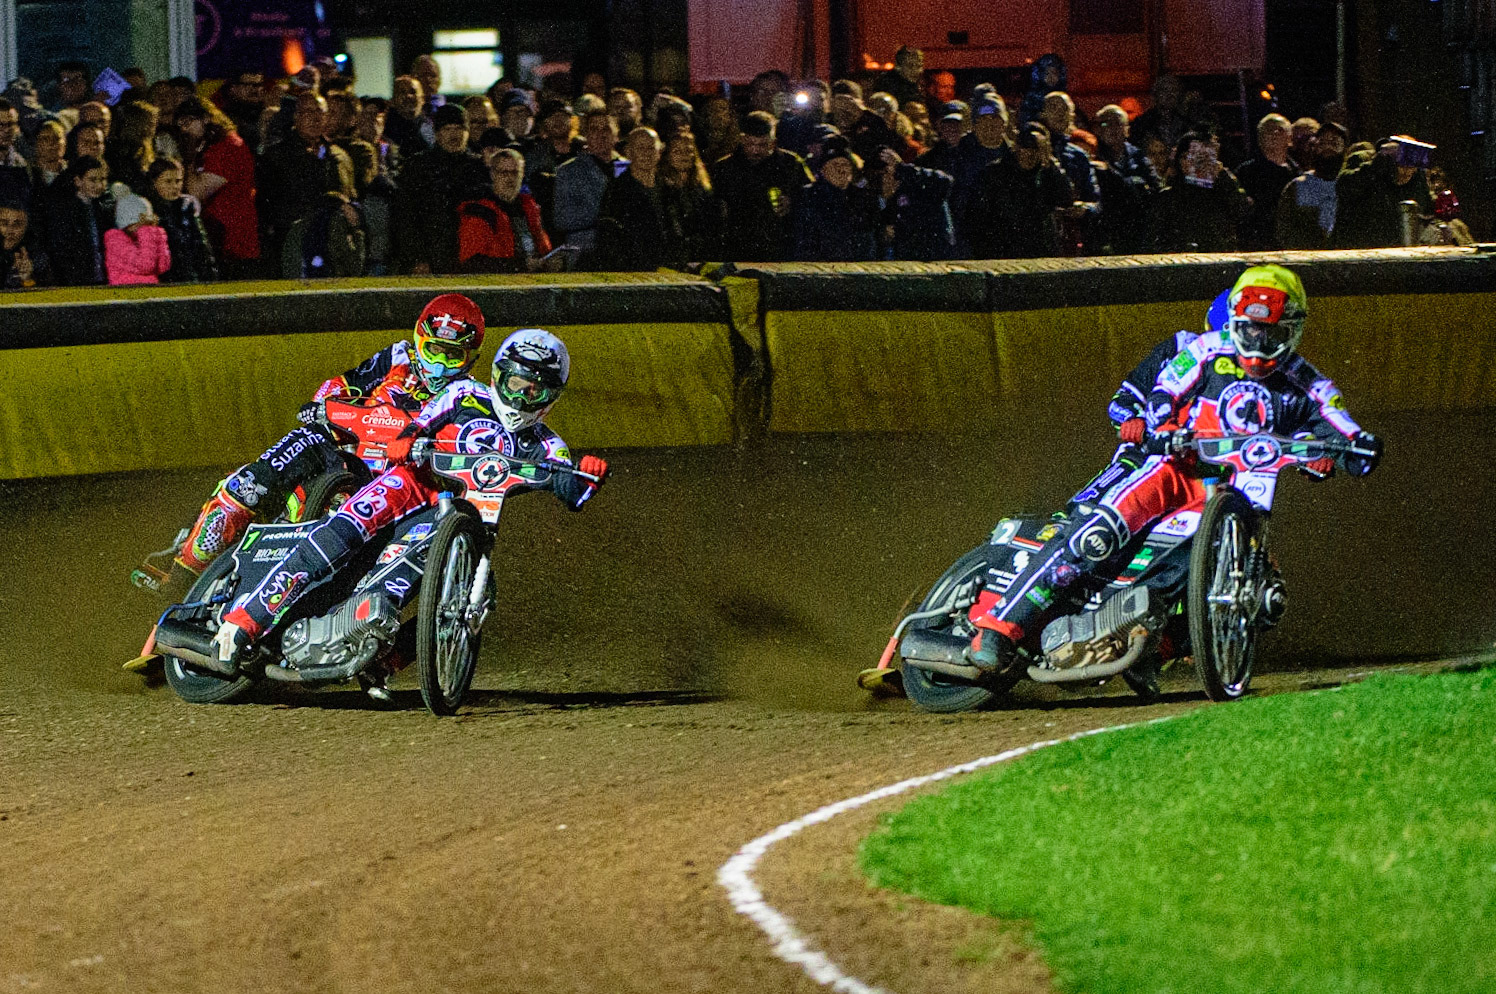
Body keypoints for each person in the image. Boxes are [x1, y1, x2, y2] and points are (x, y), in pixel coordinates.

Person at [963, 265, 1382, 671]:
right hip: (1173, 468)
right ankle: (1000, 626)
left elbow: (1336, 420)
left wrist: (1350, 448)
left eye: (1269, 332)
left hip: (1234, 493)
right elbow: (1163, 388)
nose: (1257, 341)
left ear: (1291, 330)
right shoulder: (1199, 349)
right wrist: (1159, 423)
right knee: (1097, 532)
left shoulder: (1307, 382)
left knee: (1235, 586)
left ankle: (1151, 647)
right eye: (1249, 329)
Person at [210, 328, 611, 675]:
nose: (521, 397)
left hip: (453, 514)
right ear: (497, 376)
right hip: (410, 484)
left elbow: (572, 487)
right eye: (514, 385)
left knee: (439, 591)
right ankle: (242, 623)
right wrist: (406, 438)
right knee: (340, 535)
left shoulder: (547, 444)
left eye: (534, 390)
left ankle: (379, 664)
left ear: (550, 397)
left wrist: (588, 472)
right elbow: (420, 422)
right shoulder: (464, 392)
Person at [144, 294, 489, 605]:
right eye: (434, 351)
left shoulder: (471, 396)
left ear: (470, 357)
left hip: (394, 486)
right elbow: (340, 384)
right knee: (252, 482)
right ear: (419, 341)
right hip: (342, 452)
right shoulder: (396, 358)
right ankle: (184, 568)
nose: (440, 365)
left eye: (452, 355)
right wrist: (325, 404)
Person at [709, 111, 811, 262]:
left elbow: (811, 195)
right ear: (742, 140)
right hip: (737, 248)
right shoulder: (724, 168)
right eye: (750, 144)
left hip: (781, 247)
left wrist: (793, 202)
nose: (755, 150)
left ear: (773, 142)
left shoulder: (791, 164)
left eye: (762, 145)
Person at [1145, 131, 1249, 253]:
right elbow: (1153, 241)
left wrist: (1223, 177)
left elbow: (1243, 213)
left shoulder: (1223, 193)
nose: (1202, 163)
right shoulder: (1168, 198)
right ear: (1182, 160)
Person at [457, 147, 552, 272]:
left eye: (515, 173)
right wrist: (520, 265)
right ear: (492, 174)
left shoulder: (529, 207)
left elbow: (543, 248)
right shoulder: (480, 212)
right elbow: (473, 261)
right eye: (504, 173)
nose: (509, 179)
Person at [791, 136, 878, 262]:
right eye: (835, 164)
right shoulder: (807, 196)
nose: (841, 169)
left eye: (845, 164)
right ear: (823, 170)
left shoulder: (863, 197)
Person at [595, 126, 670, 271]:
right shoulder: (618, 191)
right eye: (641, 148)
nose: (647, 154)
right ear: (629, 153)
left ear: (659, 152)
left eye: (651, 148)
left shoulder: (668, 189)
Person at [551, 109, 620, 260]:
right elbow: (561, 219)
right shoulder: (568, 171)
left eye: (606, 129)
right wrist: (603, 215)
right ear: (586, 135)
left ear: (616, 135)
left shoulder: (628, 168)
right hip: (585, 250)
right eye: (594, 129)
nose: (601, 135)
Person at [44, 155, 112, 285]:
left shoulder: (102, 209)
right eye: (92, 180)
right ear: (78, 181)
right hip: (75, 282)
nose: (99, 185)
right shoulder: (64, 211)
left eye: (102, 179)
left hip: (100, 280)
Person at [146, 158, 217, 283]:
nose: (175, 186)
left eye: (178, 181)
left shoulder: (187, 207)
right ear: (154, 182)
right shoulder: (149, 211)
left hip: (191, 276)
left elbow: (202, 245)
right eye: (168, 182)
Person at [1234, 114, 1297, 250]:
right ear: (1260, 138)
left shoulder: (1298, 174)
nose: (1274, 133)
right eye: (1268, 130)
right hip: (1258, 245)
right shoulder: (1246, 172)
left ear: (1290, 138)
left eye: (1280, 130)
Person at [104, 189, 171, 285]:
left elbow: (163, 266)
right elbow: (146, 265)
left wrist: (157, 232)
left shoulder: (143, 235)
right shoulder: (115, 239)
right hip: (126, 292)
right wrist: (146, 230)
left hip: (147, 290)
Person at [0, 200, 52, 288]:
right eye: (4, 223)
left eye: (17, 225)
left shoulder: (37, 257)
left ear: (26, 226)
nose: (10, 231)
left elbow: (47, 298)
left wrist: (27, 280)